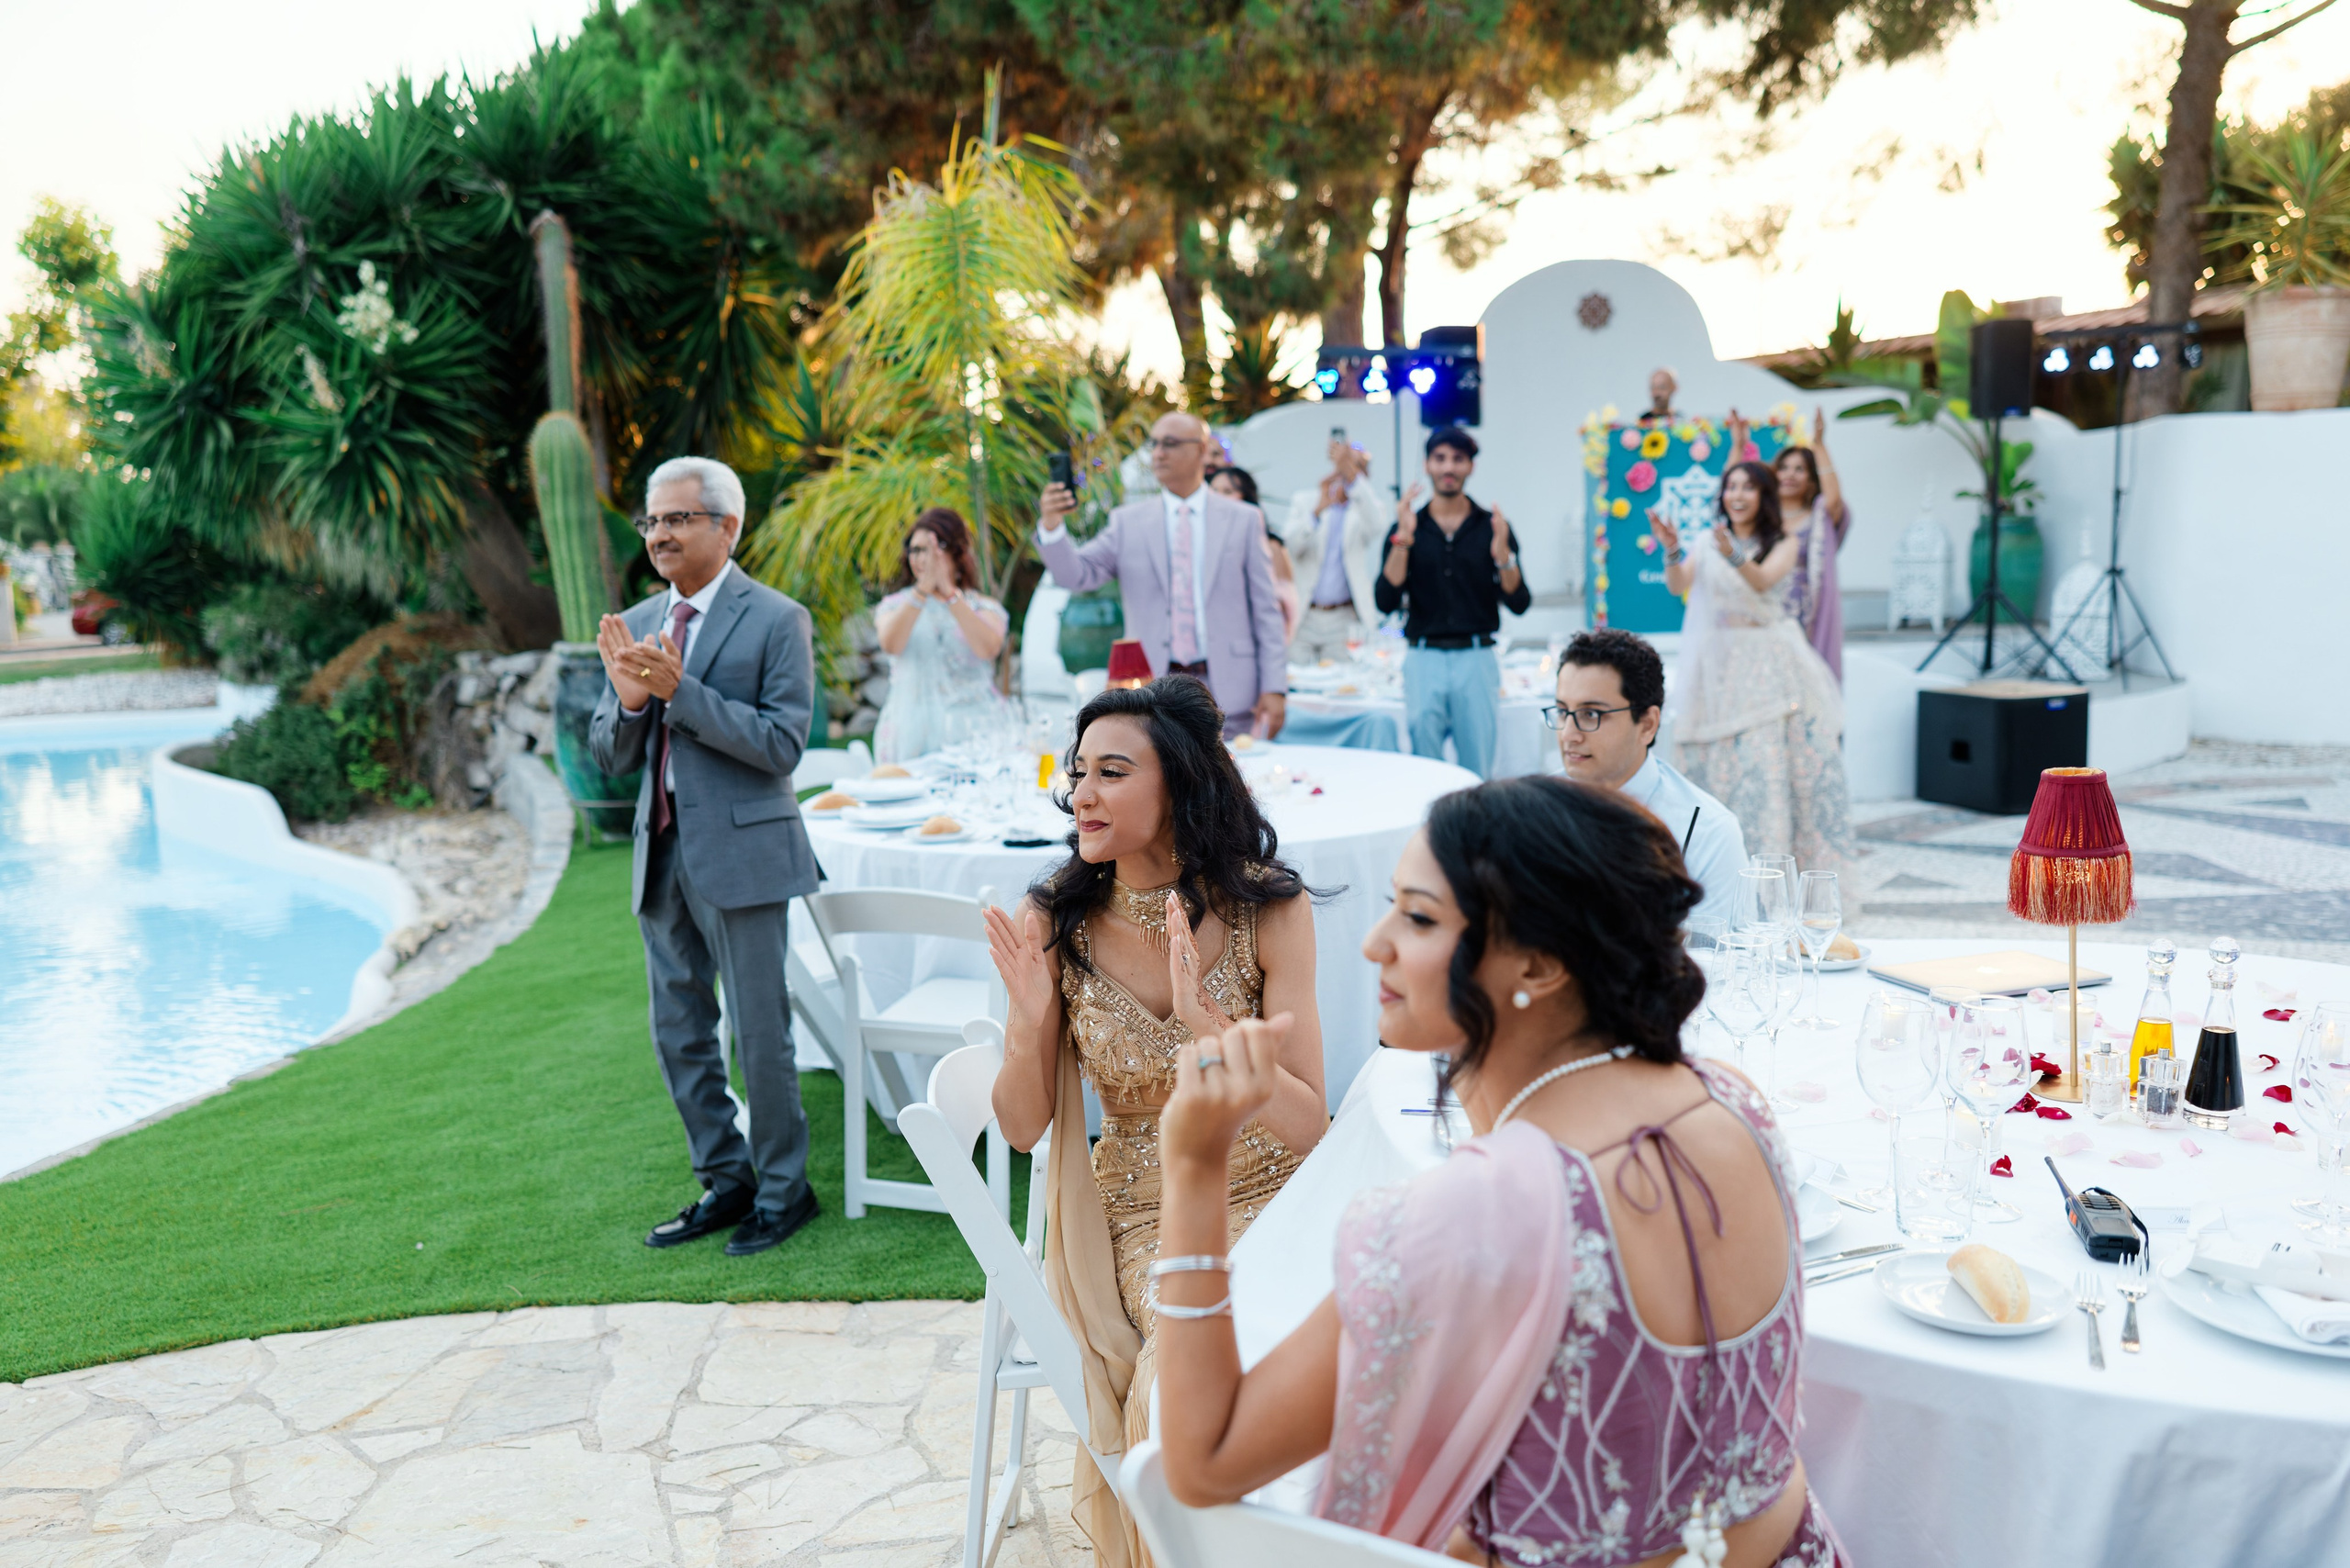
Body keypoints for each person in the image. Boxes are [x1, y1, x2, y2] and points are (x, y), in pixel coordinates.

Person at [1147, 777, 1848, 1567]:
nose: (1375, 943)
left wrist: (1195, 1166)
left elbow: (1205, 1463)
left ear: (1540, 966)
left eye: (1418, 917)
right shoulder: (1734, 1103)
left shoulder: (1476, 1211)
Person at [984, 677, 1326, 1567]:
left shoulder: (1268, 909)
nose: (1082, 794)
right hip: (1150, 1212)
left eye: (1111, 772)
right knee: (1191, 1366)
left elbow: (1311, 1129)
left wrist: (1212, 1026)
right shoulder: (1055, 922)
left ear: (1178, 785)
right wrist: (1027, 1024)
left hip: (1281, 1190)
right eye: (1078, 773)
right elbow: (1020, 1128)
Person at [591, 455, 822, 1257]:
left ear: (728, 526)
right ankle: (727, 1182)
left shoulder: (778, 619)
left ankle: (786, 1193)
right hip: (659, 854)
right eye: (651, 521)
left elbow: (782, 744)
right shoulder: (634, 622)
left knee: (760, 1036)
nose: (659, 534)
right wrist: (630, 703)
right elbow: (608, 753)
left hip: (745, 856)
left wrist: (678, 694)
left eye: (677, 519)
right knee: (680, 1034)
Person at [1036, 412, 1289, 739]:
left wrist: (1274, 687)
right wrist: (1052, 528)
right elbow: (1076, 576)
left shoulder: (1244, 519)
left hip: (1231, 690)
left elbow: (1266, 611)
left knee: (1233, 772)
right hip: (1151, 689)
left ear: (1201, 450)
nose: (1158, 453)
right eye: (1154, 444)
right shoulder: (1127, 522)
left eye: (1170, 444)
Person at [1651, 462, 1851, 871]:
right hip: (1718, 670)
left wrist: (1732, 552)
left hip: (1768, 668)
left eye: (1748, 488)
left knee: (1764, 767)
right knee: (1715, 766)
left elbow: (1761, 580)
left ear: (1764, 496)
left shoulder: (1784, 542)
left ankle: (1769, 874)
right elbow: (1678, 584)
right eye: (1731, 487)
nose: (1737, 496)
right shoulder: (1707, 541)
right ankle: (1712, 870)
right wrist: (1671, 549)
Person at [1551, 627, 1748, 928]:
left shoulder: (1708, 833)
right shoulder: (1533, 810)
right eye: (1563, 712)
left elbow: (1719, 952)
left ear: (1647, 724)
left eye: (1591, 715)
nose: (1568, 734)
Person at [1374, 426, 1529, 777]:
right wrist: (1405, 538)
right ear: (1427, 465)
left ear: (1470, 466)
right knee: (1424, 769)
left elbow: (1519, 601)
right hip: (1423, 658)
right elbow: (1385, 599)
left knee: (1478, 769)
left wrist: (1503, 557)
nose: (1449, 467)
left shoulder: (1492, 526)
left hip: (1477, 658)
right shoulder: (1407, 525)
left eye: (1458, 459)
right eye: (1440, 458)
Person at [871, 508, 1011, 762]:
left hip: (975, 732)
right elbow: (891, 644)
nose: (922, 558)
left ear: (956, 552)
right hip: (909, 734)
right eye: (916, 550)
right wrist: (922, 591)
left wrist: (949, 594)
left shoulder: (983, 607)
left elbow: (988, 648)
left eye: (932, 549)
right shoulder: (893, 606)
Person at [1734, 406, 1853, 683]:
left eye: (1800, 469)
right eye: (1784, 467)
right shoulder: (1763, 515)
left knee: (1804, 681)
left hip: (1804, 611)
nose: (1790, 474)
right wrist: (1738, 447)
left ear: (1811, 479)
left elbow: (1834, 498)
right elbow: (1733, 492)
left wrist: (1819, 445)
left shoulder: (1818, 516)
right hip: (1762, 604)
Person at [1279, 436, 1385, 666]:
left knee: (1342, 681)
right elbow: (1291, 547)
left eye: (1357, 466)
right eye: (1346, 464)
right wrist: (1316, 511)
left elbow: (1377, 526)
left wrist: (1353, 477)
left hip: (1343, 618)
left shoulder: (1365, 509)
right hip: (1305, 613)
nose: (1349, 471)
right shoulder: (1306, 500)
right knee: (1295, 679)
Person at [1209, 465, 1300, 642]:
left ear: (1246, 497)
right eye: (1213, 491)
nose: (1218, 497)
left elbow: (1284, 603)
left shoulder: (1269, 545)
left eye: (1228, 491)